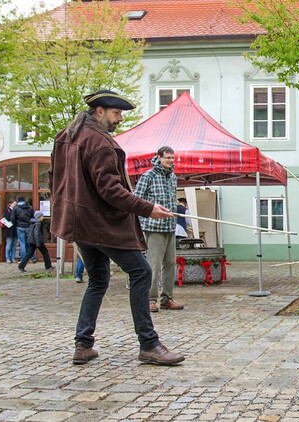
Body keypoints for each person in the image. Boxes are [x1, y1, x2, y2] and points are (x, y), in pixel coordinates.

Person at [49, 89, 184, 366]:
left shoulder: (67, 135)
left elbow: (54, 178)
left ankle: (83, 344)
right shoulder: (99, 142)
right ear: (99, 111)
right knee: (141, 271)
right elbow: (110, 190)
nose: (119, 119)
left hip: (80, 223)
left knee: (98, 279)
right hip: (99, 224)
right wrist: (148, 208)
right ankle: (148, 344)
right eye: (116, 113)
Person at [134, 146, 184, 313]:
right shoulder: (148, 176)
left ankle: (166, 298)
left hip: (170, 227)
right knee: (153, 265)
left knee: (170, 264)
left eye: (172, 158)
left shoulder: (173, 177)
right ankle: (150, 299)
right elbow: (137, 201)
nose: (170, 160)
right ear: (159, 158)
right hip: (153, 227)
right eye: (167, 157)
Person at [10, 195, 37, 263]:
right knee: (30, 242)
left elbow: (12, 218)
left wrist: (16, 224)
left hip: (20, 227)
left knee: (22, 243)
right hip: (28, 226)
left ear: (18, 200)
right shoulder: (30, 207)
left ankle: (23, 259)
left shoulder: (15, 208)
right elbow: (33, 217)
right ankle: (32, 258)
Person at [3, 199, 17, 263]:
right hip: (8, 230)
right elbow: (8, 218)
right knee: (9, 244)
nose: (15, 205)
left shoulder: (16, 210)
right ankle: (8, 258)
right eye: (14, 204)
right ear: (10, 204)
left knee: (14, 244)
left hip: (14, 229)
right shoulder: (7, 210)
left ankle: (13, 257)